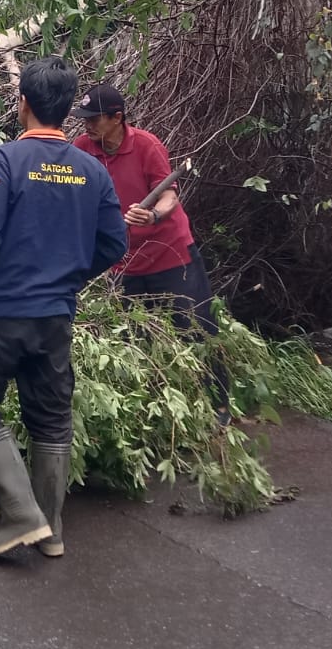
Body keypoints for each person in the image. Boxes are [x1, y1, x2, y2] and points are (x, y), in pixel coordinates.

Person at [0, 57, 127, 559]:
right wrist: (70, 275)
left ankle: (22, 515)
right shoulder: (91, 170)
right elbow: (114, 243)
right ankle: (51, 532)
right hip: (54, 317)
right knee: (50, 419)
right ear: (68, 110)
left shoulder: (4, 160)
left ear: (23, 102)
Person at [69, 83, 229, 410]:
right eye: (84, 118)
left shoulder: (146, 145)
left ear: (117, 118)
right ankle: (149, 407)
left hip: (169, 255)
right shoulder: (83, 148)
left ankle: (218, 404)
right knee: (133, 337)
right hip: (122, 260)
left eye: (95, 119)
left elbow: (169, 193)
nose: (87, 124)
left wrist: (153, 214)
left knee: (196, 328)